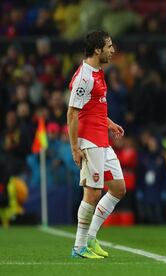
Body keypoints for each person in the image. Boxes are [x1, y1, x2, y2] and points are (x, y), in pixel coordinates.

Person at [67, 30, 126, 259]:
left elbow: (94, 107)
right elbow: (72, 113)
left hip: (102, 139)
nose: (113, 50)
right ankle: (79, 247)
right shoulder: (85, 77)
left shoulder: (98, 72)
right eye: (109, 46)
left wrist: (109, 123)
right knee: (92, 193)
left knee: (118, 188)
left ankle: (91, 238)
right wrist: (75, 148)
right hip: (90, 142)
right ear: (97, 50)